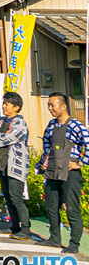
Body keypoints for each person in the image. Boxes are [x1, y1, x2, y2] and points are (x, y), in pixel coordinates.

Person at [37, 92, 89, 253]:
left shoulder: (75, 125)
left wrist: (80, 163)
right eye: (48, 105)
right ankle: (54, 238)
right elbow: (46, 142)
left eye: (53, 105)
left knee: (72, 208)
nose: (50, 108)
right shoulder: (52, 125)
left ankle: (74, 244)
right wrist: (45, 161)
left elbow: (87, 143)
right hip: (52, 169)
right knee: (51, 206)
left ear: (63, 106)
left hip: (69, 172)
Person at [0, 91, 33, 240]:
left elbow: (12, 138)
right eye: (4, 103)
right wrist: (1, 136)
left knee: (15, 196)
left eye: (7, 103)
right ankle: (14, 226)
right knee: (7, 195)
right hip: (2, 163)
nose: (4, 106)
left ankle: (25, 229)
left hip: (16, 165)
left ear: (16, 107)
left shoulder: (20, 123)